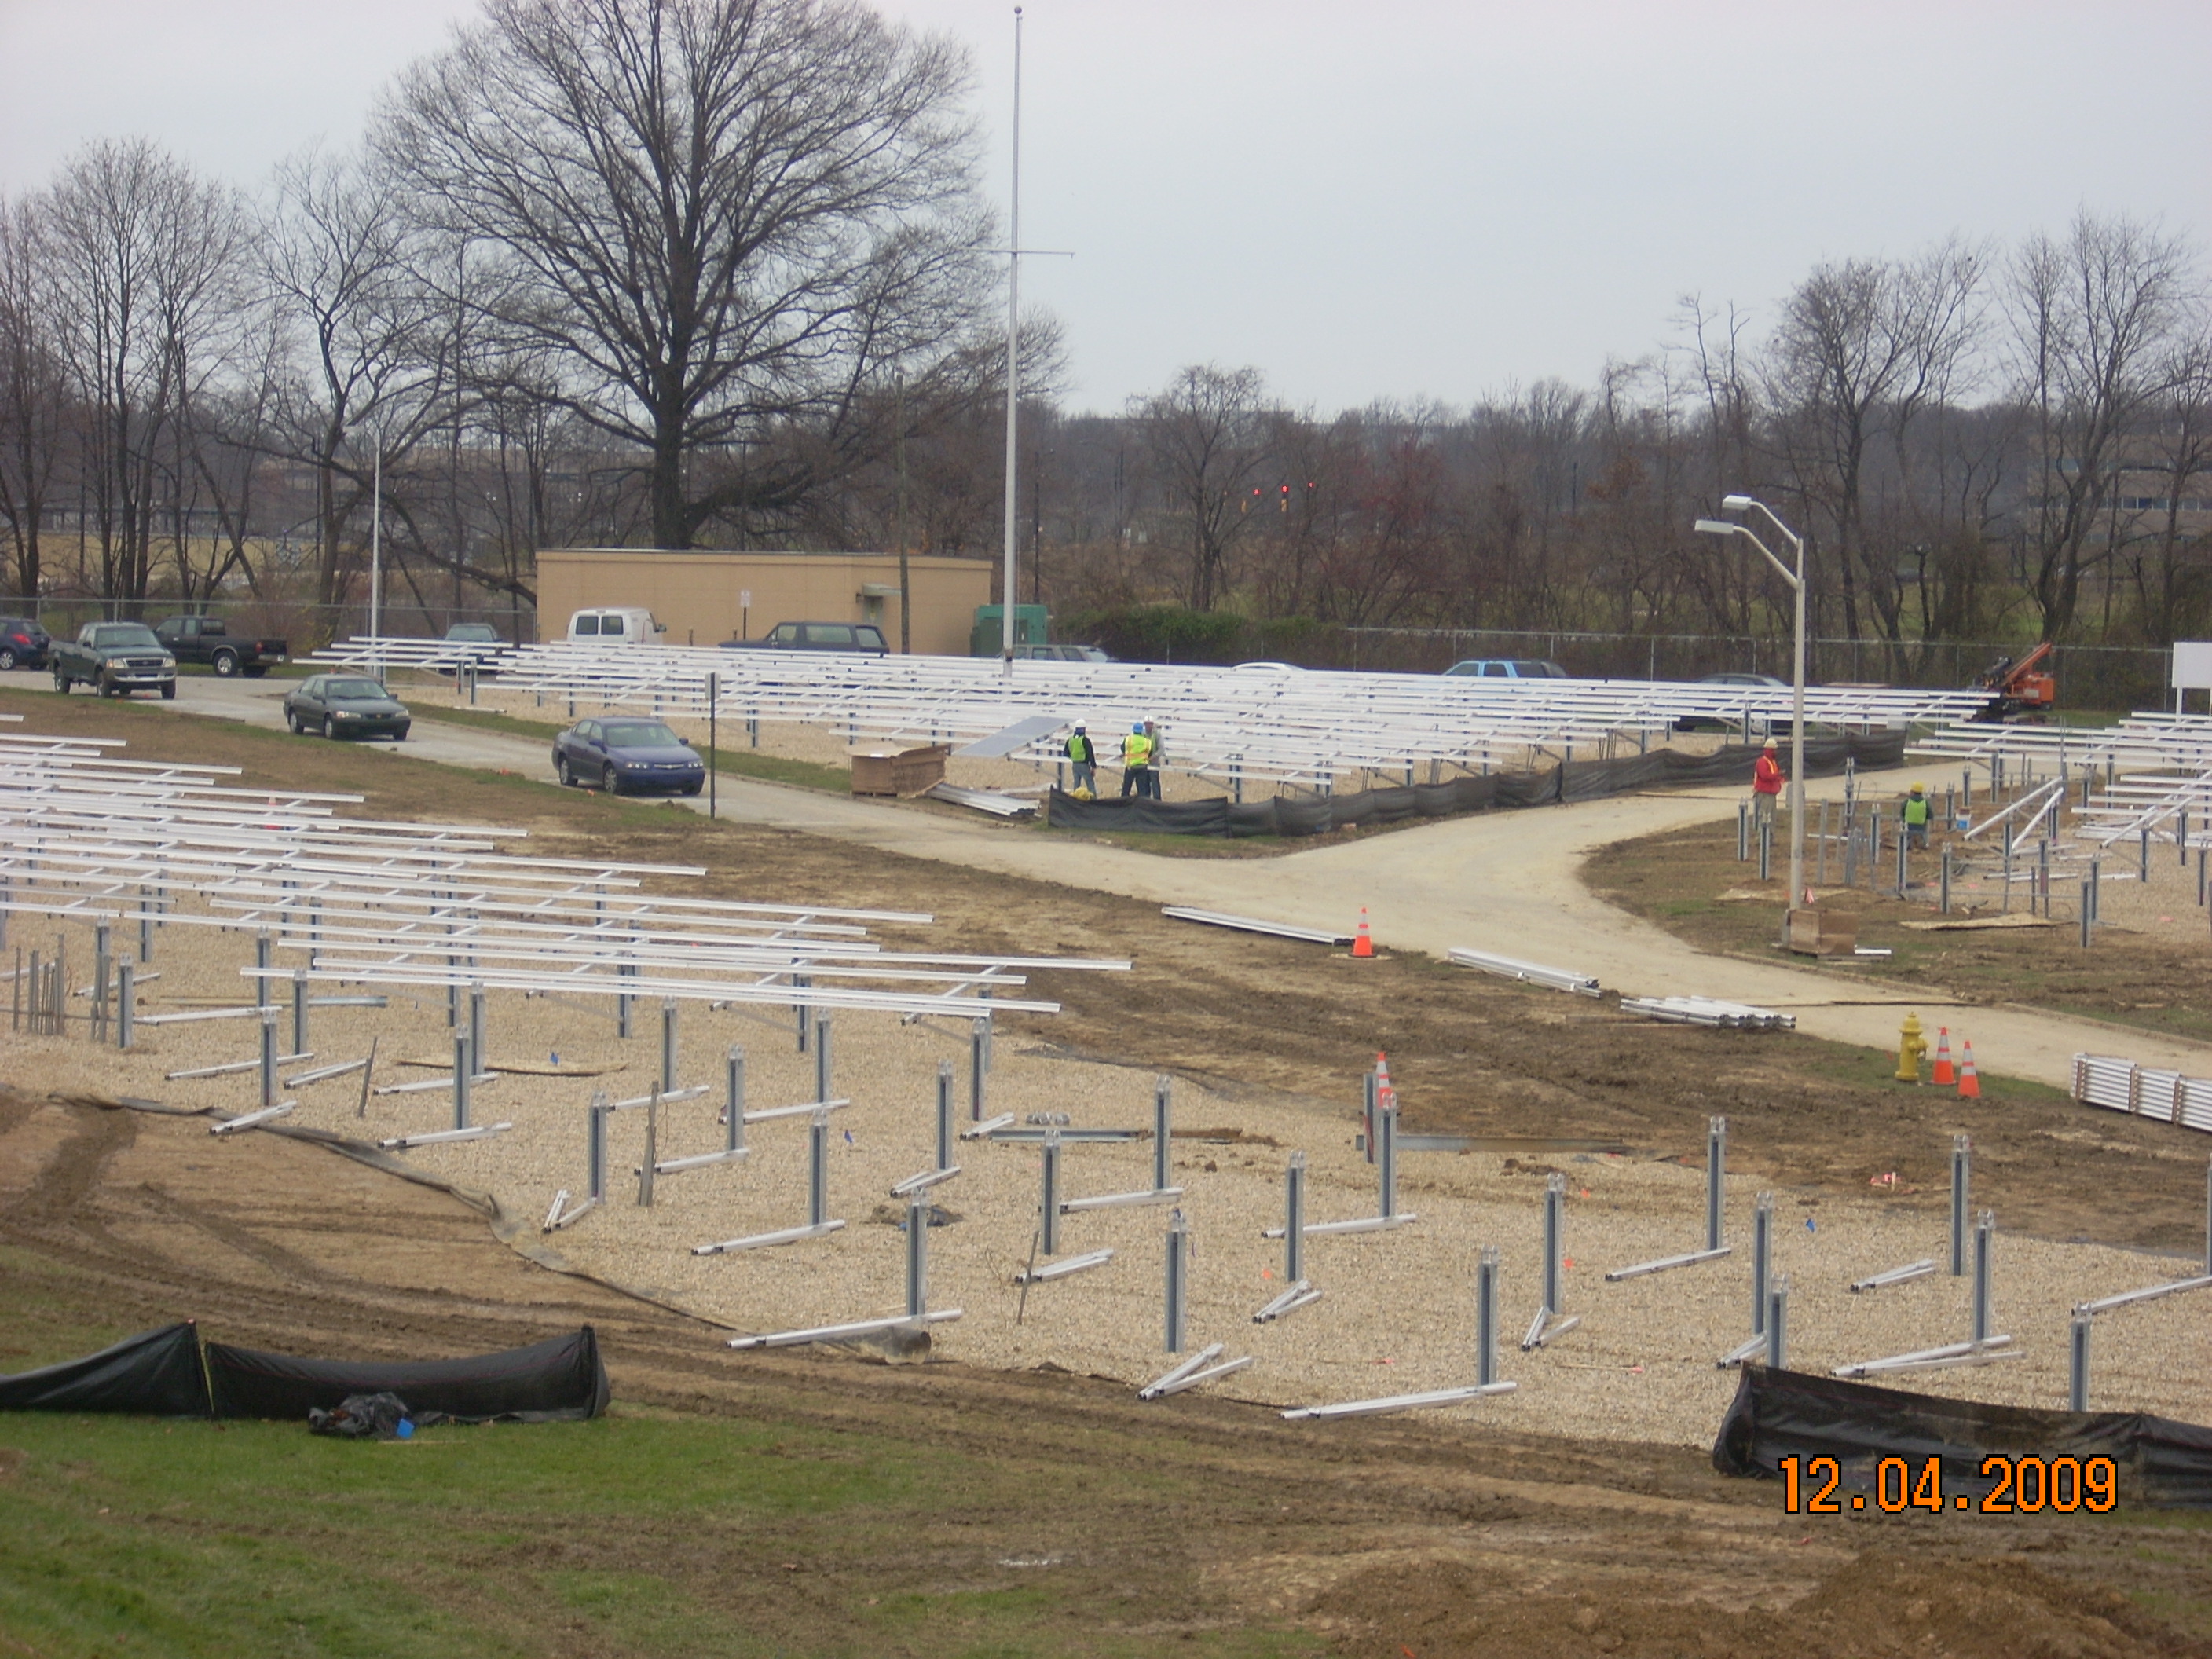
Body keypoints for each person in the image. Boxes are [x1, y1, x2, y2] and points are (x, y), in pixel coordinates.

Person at [1752, 737, 1785, 830]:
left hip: (1771, 794)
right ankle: (1762, 836)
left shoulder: (1772, 762)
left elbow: (1773, 775)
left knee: (1771, 818)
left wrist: (1779, 778)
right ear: (1770, 750)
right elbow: (1765, 775)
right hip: (1764, 794)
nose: (1776, 752)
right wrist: (1777, 775)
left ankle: (1769, 836)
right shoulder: (1762, 762)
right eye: (1774, 750)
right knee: (1764, 817)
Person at [1120, 722, 1152, 799]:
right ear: (1142, 731)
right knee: (1142, 790)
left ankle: (1123, 803)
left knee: (1126, 789)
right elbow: (1150, 753)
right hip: (1142, 767)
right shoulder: (1147, 741)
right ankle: (1142, 805)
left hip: (1130, 767)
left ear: (1133, 730)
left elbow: (1123, 749)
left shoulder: (1128, 739)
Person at [1064, 722, 1096, 796]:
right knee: (1089, 783)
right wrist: (1093, 766)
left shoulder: (1070, 739)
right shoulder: (1085, 740)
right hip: (1084, 764)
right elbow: (1090, 753)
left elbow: (1066, 753)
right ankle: (1093, 799)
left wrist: (1073, 756)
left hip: (1075, 764)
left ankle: (1075, 799)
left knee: (1076, 783)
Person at [1903, 781, 1931, 850]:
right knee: (1925, 829)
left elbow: (1902, 813)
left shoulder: (1907, 802)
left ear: (1912, 792)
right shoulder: (1925, 802)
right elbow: (1930, 815)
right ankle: (1923, 843)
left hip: (1908, 826)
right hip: (1921, 827)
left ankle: (1907, 844)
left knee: (1905, 832)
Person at [1142, 720, 1166, 800]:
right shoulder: (1143, 734)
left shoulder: (1157, 734)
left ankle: (1157, 801)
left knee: (1154, 781)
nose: (1148, 726)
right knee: (1145, 782)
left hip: (1154, 762)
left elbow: (1161, 749)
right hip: (1145, 762)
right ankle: (1146, 800)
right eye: (1146, 724)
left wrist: (1153, 757)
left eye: (1150, 724)